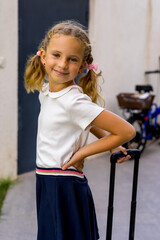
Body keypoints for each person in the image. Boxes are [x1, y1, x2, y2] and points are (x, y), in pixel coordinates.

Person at [24, 20, 135, 240]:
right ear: (43, 56)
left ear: (82, 65)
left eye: (72, 59)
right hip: (46, 180)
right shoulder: (47, 91)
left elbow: (127, 131)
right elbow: (87, 122)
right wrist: (111, 144)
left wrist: (82, 153)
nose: (63, 64)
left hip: (64, 184)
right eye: (56, 55)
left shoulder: (74, 101)